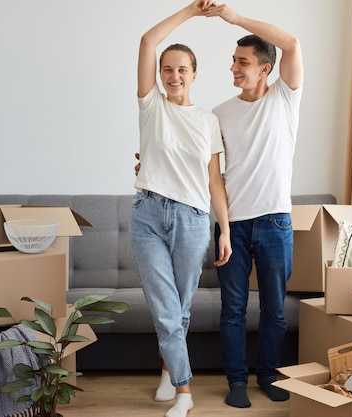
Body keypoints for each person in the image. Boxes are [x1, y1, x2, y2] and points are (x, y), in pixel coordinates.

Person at [130, 2, 232, 417]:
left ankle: (169, 369)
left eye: (182, 70)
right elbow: (147, 40)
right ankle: (185, 393)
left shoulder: (208, 121)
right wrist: (192, 9)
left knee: (180, 309)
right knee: (165, 306)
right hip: (148, 215)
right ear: (159, 75)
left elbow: (214, 181)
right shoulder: (151, 105)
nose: (173, 76)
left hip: (192, 219)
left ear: (194, 74)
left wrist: (223, 228)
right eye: (167, 69)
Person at [202, 3, 304, 409]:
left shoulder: (285, 97)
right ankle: (237, 381)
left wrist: (234, 17)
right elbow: (212, 177)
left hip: (276, 222)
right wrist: (224, 227)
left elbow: (292, 44)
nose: (233, 69)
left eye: (242, 62)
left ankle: (267, 375)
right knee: (233, 311)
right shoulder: (219, 114)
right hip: (235, 226)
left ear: (265, 68)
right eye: (233, 61)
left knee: (275, 311)